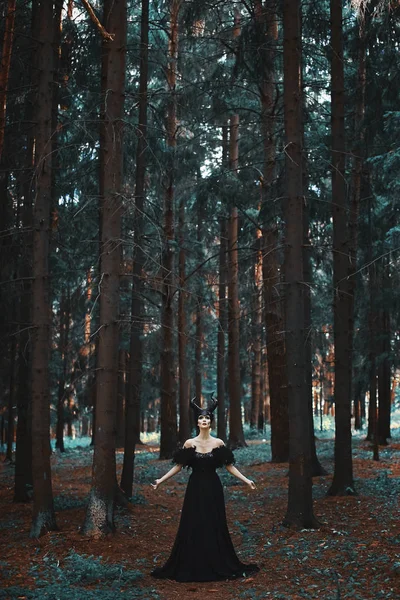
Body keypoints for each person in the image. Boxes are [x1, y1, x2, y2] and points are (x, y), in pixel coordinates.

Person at [150, 395, 259, 582]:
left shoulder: (218, 443)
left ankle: (216, 561)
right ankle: (192, 563)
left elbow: (229, 466)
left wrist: (246, 480)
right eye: (201, 418)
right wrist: (161, 480)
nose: (204, 420)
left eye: (207, 418)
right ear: (197, 422)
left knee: (213, 523)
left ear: (211, 422)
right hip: (195, 489)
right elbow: (178, 466)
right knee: (193, 523)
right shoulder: (189, 443)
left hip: (213, 488)